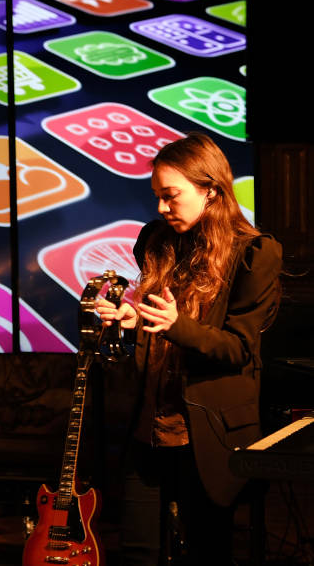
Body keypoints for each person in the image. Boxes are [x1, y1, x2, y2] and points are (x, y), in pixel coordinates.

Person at [95, 132, 283, 565]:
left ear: (210, 190)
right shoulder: (156, 241)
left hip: (208, 434)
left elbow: (239, 348)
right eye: (157, 196)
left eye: (171, 195)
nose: (162, 207)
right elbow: (156, 323)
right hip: (148, 428)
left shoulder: (254, 253)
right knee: (138, 551)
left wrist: (176, 326)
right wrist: (133, 319)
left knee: (206, 552)